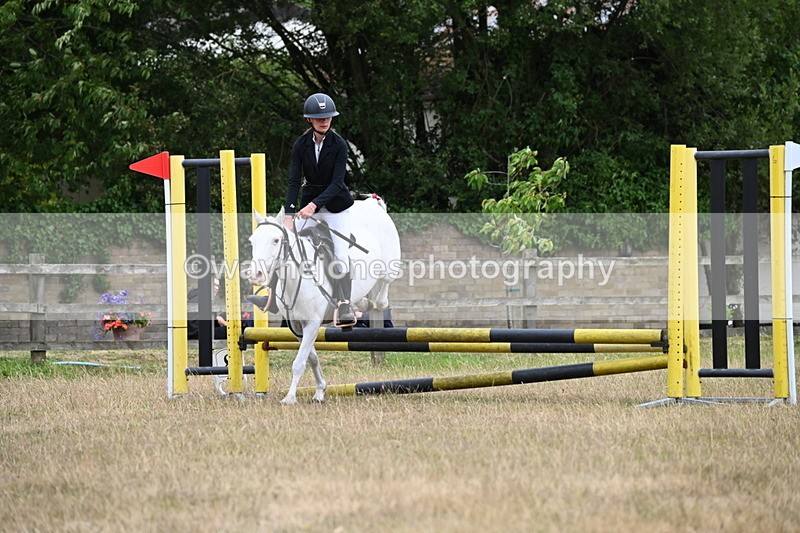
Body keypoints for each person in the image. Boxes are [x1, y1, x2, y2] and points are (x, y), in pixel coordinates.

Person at [283, 92, 356, 325]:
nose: (324, 121)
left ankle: (344, 304)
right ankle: (275, 296)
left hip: (335, 207)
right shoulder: (300, 145)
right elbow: (294, 180)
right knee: (286, 242)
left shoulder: (339, 145)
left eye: (328, 117)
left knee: (340, 255)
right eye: (319, 118)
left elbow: (337, 183)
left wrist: (313, 205)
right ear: (309, 120)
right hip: (309, 204)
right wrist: (289, 214)